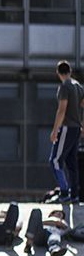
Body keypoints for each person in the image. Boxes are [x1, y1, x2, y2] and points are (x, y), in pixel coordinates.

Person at [50, 61, 84, 203]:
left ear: (58, 73)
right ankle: (74, 194)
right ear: (70, 71)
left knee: (55, 160)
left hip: (67, 127)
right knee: (71, 162)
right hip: (76, 128)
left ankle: (64, 192)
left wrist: (55, 130)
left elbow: (62, 109)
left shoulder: (65, 87)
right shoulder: (78, 86)